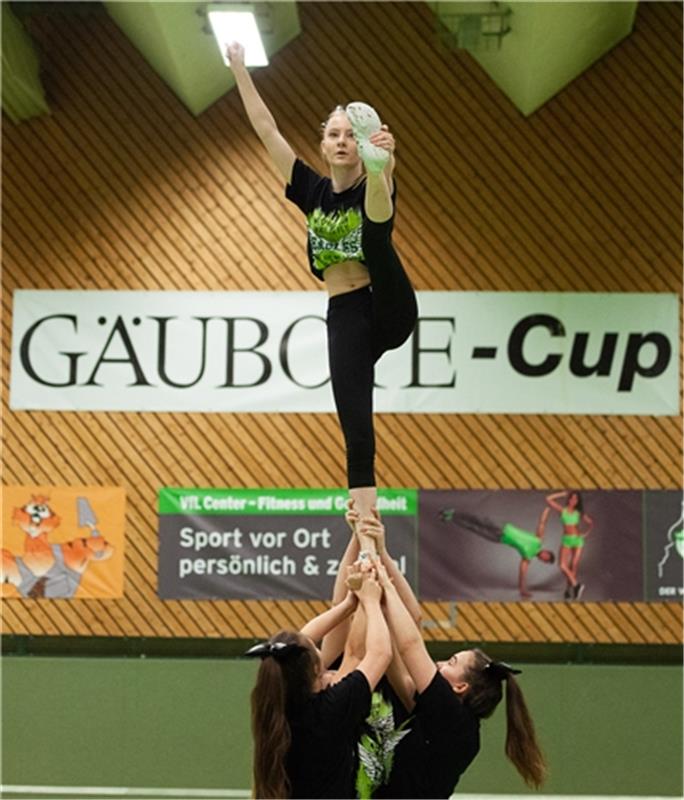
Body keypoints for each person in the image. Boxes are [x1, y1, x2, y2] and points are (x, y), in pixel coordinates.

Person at [227, 43, 417, 529]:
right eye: (332, 135)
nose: (339, 142)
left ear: (362, 145)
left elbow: (381, 206)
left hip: (389, 301)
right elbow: (266, 128)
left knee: (376, 230)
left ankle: (382, 171)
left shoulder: (367, 181)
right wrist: (239, 69)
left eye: (350, 137)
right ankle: (368, 522)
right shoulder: (310, 190)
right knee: (353, 418)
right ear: (322, 143)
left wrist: (384, 169)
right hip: (347, 313)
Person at [361, 517, 547, 798]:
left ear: (461, 687)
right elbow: (413, 622)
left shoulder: (454, 722)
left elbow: (411, 645)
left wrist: (382, 589)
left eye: (451, 663)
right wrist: (382, 554)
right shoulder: (434, 711)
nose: (438, 664)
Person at [247, 569, 391, 798]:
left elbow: (296, 648)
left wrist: (348, 604)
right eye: (316, 648)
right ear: (315, 668)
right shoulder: (329, 711)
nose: (316, 644)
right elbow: (379, 654)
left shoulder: (278, 706)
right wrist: (370, 602)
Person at [439, 506, 556, 598]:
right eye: (547, 556)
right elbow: (542, 523)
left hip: (499, 538)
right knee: (477, 519)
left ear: (542, 560)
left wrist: (522, 590)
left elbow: (522, 574)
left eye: (545, 560)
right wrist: (547, 509)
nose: (544, 557)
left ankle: (451, 518)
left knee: (474, 528)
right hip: (503, 527)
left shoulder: (527, 557)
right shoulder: (538, 540)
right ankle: (454, 512)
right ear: (546, 551)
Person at [546, 490, 593, 599]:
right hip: (567, 540)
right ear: (569, 499)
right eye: (571, 498)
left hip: (577, 540)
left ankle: (569, 591)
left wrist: (585, 534)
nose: (573, 500)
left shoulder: (579, 513)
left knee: (573, 567)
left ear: (578, 501)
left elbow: (591, 523)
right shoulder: (562, 510)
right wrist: (562, 494)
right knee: (562, 565)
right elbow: (548, 499)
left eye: (576, 499)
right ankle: (577, 585)